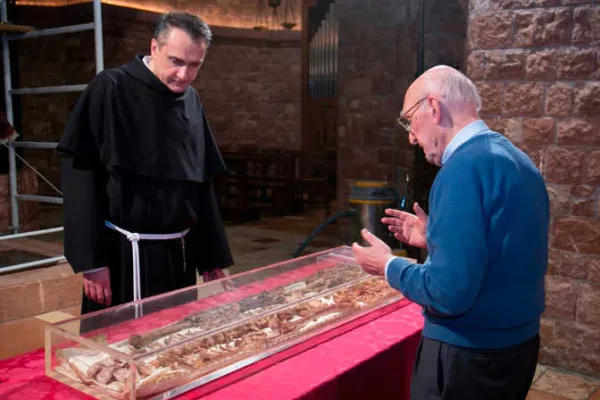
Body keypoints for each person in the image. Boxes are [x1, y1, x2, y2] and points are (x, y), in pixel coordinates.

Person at [352, 65, 549, 400]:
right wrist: (436, 238)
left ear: (433, 107)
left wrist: (387, 265)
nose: (411, 136)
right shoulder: (518, 160)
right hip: (517, 348)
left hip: (470, 355)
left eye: (409, 119)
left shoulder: (461, 169)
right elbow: (504, 248)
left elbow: (447, 294)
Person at [57, 11, 233, 316]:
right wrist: (91, 261)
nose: (184, 75)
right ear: (154, 47)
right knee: (120, 352)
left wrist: (211, 256)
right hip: (124, 254)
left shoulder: (191, 101)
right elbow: (80, 174)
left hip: (178, 254)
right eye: (176, 61)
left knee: (173, 347)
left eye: (195, 65)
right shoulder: (110, 88)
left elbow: (200, 184)